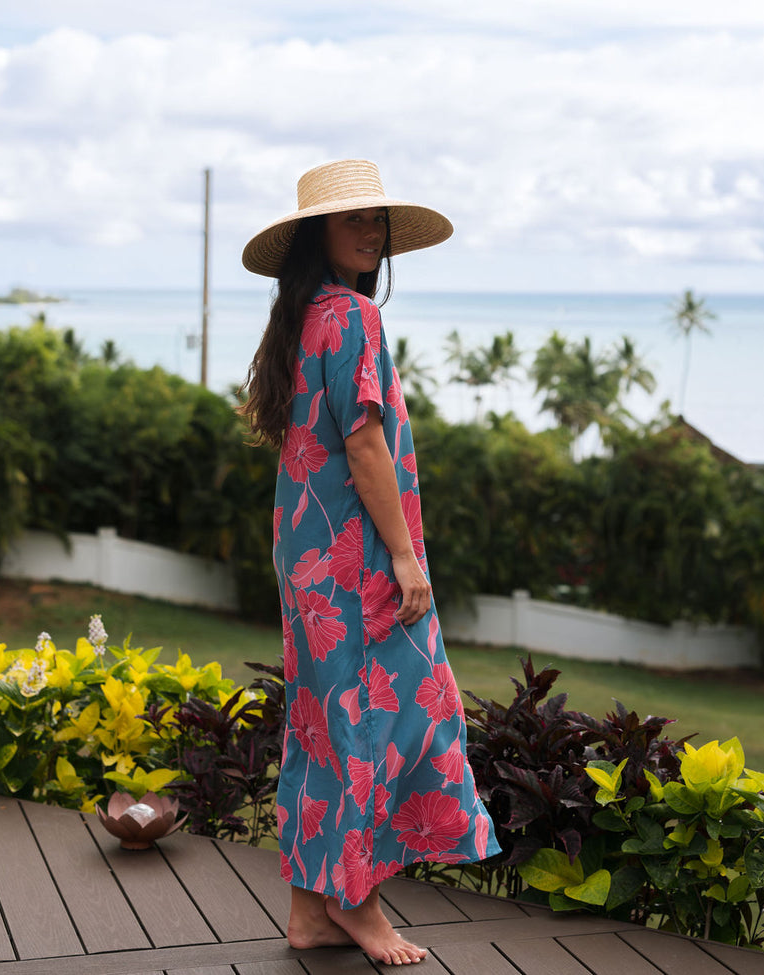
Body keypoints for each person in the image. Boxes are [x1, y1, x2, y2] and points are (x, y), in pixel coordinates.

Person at [240, 159, 500, 966]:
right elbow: (362, 442)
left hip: (308, 561)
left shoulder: (302, 318)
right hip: (353, 565)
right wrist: (404, 555)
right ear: (317, 233)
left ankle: (310, 914)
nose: (372, 232)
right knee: (396, 716)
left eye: (377, 220)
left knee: (323, 730)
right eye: (356, 219)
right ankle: (362, 907)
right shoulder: (352, 316)